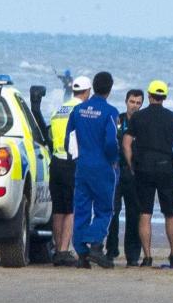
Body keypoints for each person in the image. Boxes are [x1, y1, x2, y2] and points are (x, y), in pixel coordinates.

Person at [122, 80, 173, 268]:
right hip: (165, 169)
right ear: (165, 97)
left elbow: (126, 143)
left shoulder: (138, 117)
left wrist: (131, 165)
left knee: (145, 213)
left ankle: (147, 257)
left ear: (150, 95)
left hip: (143, 168)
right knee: (170, 213)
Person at [66, 71, 119, 269]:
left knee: (81, 208)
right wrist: (113, 159)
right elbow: (110, 141)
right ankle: (95, 244)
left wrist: (76, 158)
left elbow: (68, 140)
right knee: (105, 209)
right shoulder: (110, 112)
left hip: (82, 165)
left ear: (94, 87)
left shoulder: (78, 110)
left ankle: (82, 253)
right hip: (102, 166)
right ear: (110, 89)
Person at [47, 76, 92, 267]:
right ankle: (64, 251)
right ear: (87, 92)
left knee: (58, 209)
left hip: (55, 162)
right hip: (71, 163)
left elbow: (49, 133)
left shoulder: (59, 109)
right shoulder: (80, 110)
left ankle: (58, 249)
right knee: (72, 209)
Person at [104, 88, 144, 266]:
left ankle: (133, 255)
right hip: (116, 171)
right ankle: (111, 250)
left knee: (134, 214)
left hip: (135, 173)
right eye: (132, 102)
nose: (134, 106)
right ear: (126, 101)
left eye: (138, 103)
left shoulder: (144, 122)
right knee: (113, 211)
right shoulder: (117, 119)